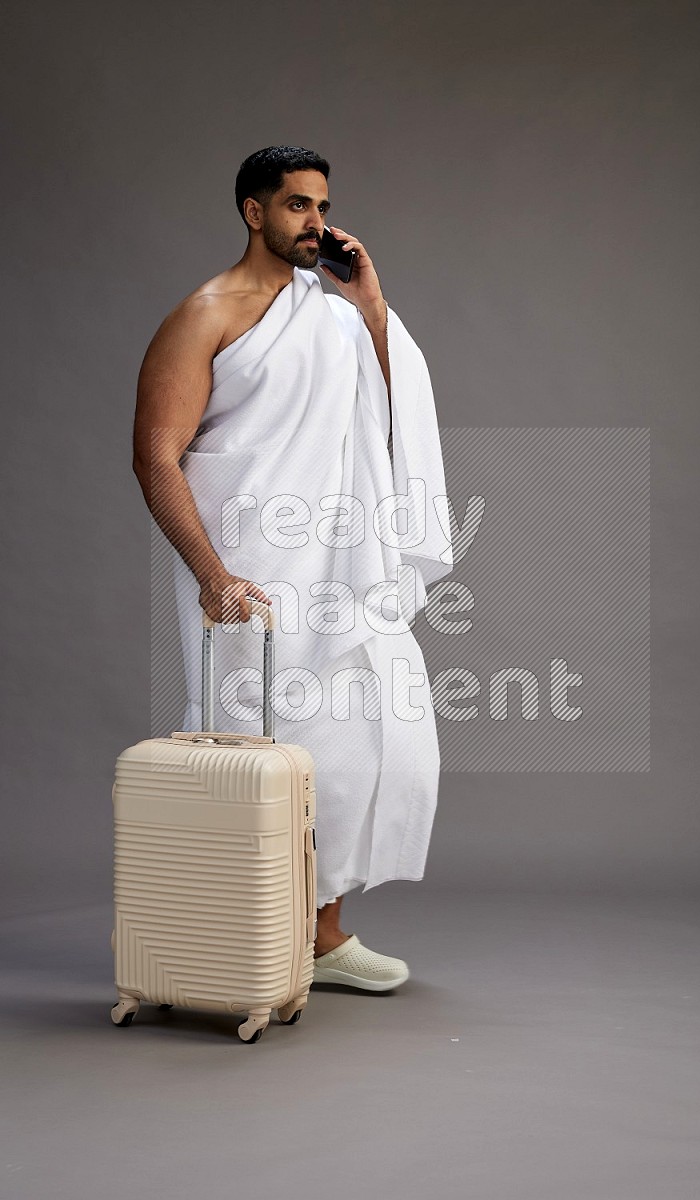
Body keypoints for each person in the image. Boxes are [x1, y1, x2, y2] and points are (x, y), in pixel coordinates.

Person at [132, 145, 452, 992]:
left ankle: (323, 936)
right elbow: (157, 458)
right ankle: (247, 941)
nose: (317, 223)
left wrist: (373, 305)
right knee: (262, 751)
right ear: (253, 211)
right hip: (252, 569)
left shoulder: (337, 310)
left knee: (362, 747)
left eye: (322, 206)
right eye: (298, 207)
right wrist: (210, 572)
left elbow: (390, 411)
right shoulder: (204, 314)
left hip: (345, 558)